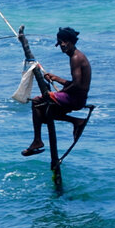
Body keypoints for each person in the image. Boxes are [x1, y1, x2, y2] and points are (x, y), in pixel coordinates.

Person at [22, 27, 92, 156]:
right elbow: (78, 83)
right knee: (42, 114)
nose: (63, 45)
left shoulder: (76, 58)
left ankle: (37, 140)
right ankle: (76, 121)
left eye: (65, 42)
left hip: (75, 99)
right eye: (60, 43)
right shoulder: (77, 56)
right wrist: (57, 79)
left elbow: (77, 85)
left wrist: (59, 93)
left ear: (72, 42)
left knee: (37, 102)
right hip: (78, 98)